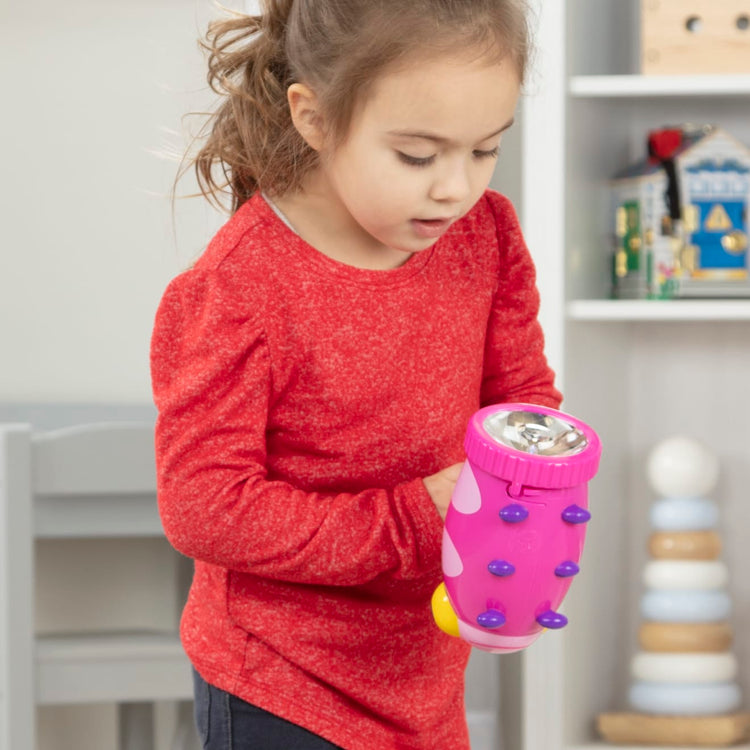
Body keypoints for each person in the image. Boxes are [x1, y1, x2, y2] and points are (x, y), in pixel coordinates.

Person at [150, 0, 562, 748]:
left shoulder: (485, 237)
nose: (455, 188)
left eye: (485, 149)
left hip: (427, 678)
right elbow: (204, 507)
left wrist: (529, 526)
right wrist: (416, 516)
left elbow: (525, 410)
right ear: (313, 117)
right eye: (417, 155)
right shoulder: (241, 288)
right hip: (281, 684)